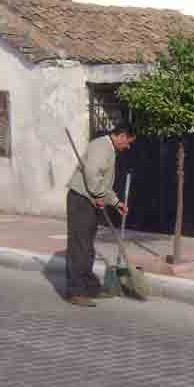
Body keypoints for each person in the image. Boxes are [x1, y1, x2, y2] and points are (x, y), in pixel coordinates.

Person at [65, 124, 136, 307]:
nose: (128, 147)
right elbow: (91, 173)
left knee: (87, 246)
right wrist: (97, 195)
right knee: (80, 245)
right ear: (121, 136)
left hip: (89, 200)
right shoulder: (101, 146)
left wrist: (116, 202)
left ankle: (89, 287)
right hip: (81, 200)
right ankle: (76, 292)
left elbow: (103, 183)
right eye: (128, 142)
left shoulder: (109, 149)